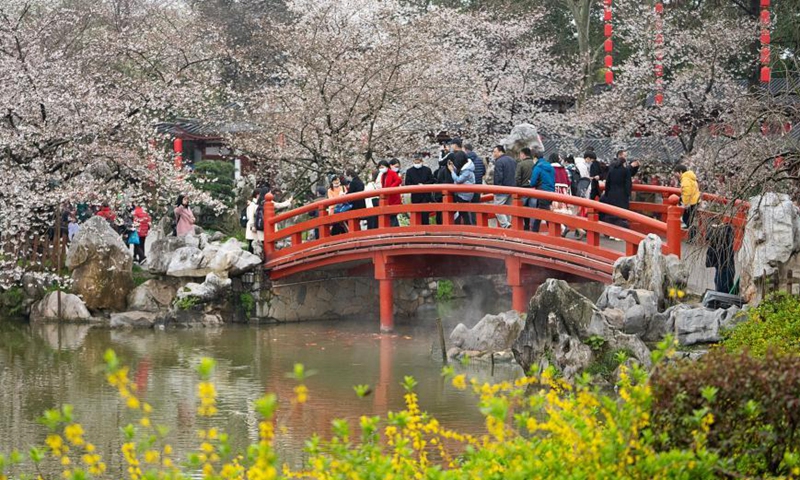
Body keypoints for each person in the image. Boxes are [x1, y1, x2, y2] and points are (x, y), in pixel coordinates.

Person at [599, 156, 633, 229]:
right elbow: (628, 183)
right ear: (623, 163)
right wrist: (628, 194)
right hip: (622, 194)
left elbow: (607, 183)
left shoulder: (612, 170)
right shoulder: (626, 171)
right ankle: (620, 230)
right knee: (621, 214)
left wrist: (607, 193)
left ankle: (611, 230)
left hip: (611, 193)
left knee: (611, 213)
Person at [529, 148, 555, 233]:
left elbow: (533, 182)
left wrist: (531, 183)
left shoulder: (538, 167)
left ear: (535, 158)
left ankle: (553, 230)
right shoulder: (550, 166)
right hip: (551, 191)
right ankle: (535, 230)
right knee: (542, 209)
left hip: (542, 191)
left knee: (544, 211)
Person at [706, 223, 736, 294]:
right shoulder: (724, 235)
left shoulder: (726, 235)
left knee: (722, 287)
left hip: (724, 266)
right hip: (721, 265)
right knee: (720, 283)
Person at [404, 156, 434, 225]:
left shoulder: (427, 170)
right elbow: (407, 183)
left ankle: (426, 227)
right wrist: (416, 186)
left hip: (425, 195)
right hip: (415, 195)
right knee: (416, 214)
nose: (417, 163)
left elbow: (432, 180)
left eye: (418, 162)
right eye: (415, 162)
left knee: (425, 214)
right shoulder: (409, 171)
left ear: (422, 162)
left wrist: (424, 185)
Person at [492, 145, 516, 229]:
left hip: (502, 189)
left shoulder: (499, 162)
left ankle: (506, 225)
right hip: (512, 188)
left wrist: (496, 188)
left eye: (495, 152)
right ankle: (509, 224)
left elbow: (498, 176)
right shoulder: (512, 160)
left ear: (500, 151)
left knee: (497, 209)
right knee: (507, 209)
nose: (493, 154)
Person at [448, 154, 475, 225]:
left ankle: (468, 227)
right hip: (462, 193)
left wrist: (451, 171)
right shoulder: (466, 168)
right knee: (462, 212)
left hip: (465, 194)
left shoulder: (467, 171)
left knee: (464, 213)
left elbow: (458, 180)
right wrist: (453, 167)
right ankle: (466, 227)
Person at [515, 148, 536, 230]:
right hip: (533, 189)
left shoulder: (521, 164)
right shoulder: (534, 164)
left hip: (524, 188)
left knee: (522, 209)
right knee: (532, 209)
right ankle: (533, 227)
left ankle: (525, 225)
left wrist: (519, 187)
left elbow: (517, 178)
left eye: (520, 154)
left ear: (523, 154)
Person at [465, 143, 486, 224]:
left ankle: (470, 225)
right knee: (476, 207)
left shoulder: (466, 161)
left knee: (467, 207)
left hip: (468, 187)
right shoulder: (480, 160)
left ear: (466, 150)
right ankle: (477, 224)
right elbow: (483, 172)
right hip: (478, 187)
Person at [675, 164, 700, 229]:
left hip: (691, 202)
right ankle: (691, 232)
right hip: (695, 200)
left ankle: (689, 235)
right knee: (689, 219)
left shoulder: (685, 179)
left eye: (676, 173)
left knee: (686, 219)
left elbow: (687, 191)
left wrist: (686, 203)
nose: (675, 175)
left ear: (680, 172)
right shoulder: (690, 177)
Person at [380, 159, 402, 227]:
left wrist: (391, 188)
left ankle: (394, 230)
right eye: (380, 167)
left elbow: (399, 180)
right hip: (388, 197)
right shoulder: (383, 175)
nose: (381, 169)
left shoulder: (392, 173)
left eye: (382, 167)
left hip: (393, 197)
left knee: (392, 214)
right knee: (391, 216)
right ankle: (395, 229)